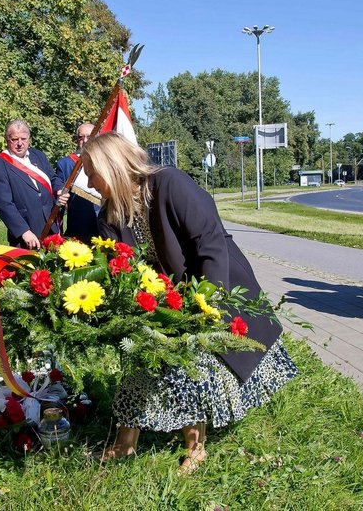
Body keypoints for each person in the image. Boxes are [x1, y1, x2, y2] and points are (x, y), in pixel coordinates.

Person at [82, 132, 298, 474]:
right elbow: (119, 270)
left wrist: (208, 301)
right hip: (158, 299)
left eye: (92, 172)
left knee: (190, 367)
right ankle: (125, 445)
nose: (89, 182)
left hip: (209, 283)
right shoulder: (108, 215)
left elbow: (209, 241)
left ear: (111, 167)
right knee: (138, 359)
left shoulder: (169, 183)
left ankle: (196, 447)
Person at [0, 120, 68, 249]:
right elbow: (4, 204)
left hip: (51, 224)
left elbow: (53, 178)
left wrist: (59, 190)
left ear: (29, 139)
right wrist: (23, 231)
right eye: (15, 139)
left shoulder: (38, 155)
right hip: (27, 233)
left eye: (23, 138)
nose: (20, 143)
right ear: (7, 140)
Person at [54, 123, 100, 243]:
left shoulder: (107, 161)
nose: (85, 141)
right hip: (79, 229)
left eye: (89, 137)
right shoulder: (65, 164)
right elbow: (60, 203)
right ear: (76, 140)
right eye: (81, 137)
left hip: (105, 227)